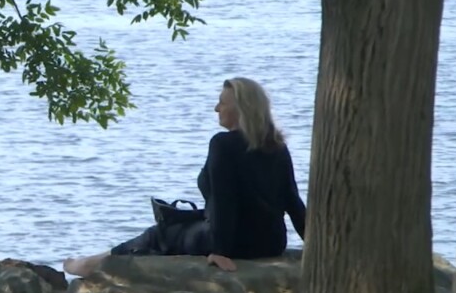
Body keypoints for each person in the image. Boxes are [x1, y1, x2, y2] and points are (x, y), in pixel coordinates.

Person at [63, 77, 307, 276]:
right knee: (180, 223)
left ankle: (93, 265)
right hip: (272, 241)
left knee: (159, 234)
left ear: (241, 108)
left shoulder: (222, 144)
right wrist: (312, 245)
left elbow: (225, 199)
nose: (216, 108)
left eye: (222, 102)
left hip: (232, 241)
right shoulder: (276, 146)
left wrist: (220, 250)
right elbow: (293, 201)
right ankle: (101, 261)